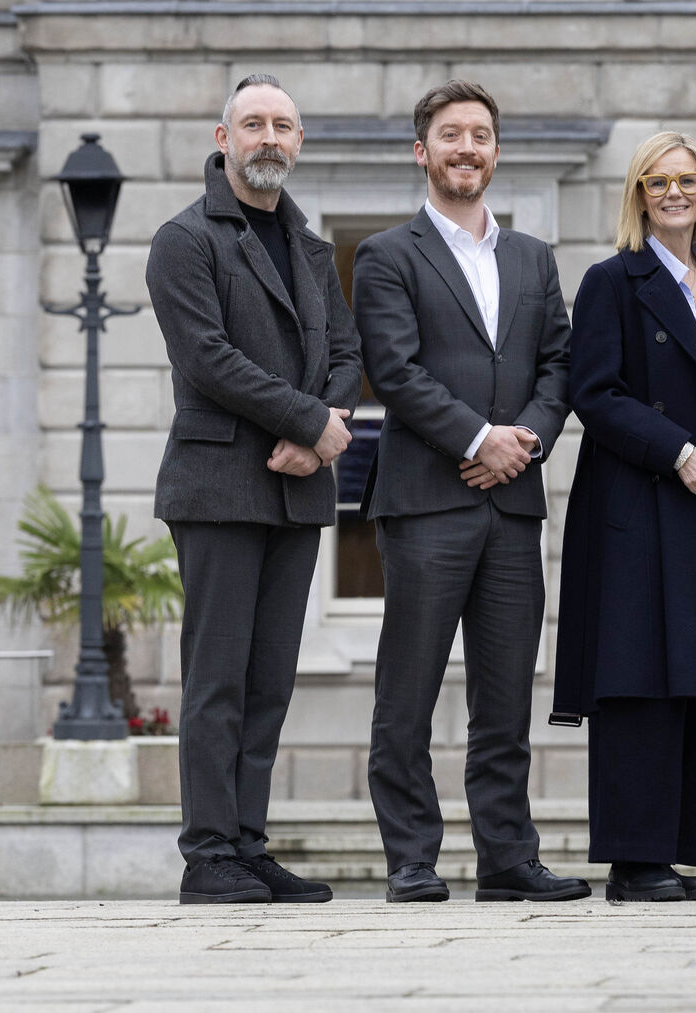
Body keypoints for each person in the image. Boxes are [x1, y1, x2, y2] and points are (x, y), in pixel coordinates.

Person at [349, 81, 584, 904]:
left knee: (506, 695)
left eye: (481, 135)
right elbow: (397, 371)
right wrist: (479, 439)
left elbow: (560, 364)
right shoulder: (387, 255)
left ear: (496, 151)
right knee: (406, 693)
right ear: (424, 152)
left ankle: (508, 859)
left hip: (512, 506)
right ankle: (412, 857)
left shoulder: (531, 257)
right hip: (424, 504)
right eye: (451, 135)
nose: (467, 148)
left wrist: (526, 440)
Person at [147, 74, 362, 904]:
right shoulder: (185, 238)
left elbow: (346, 352)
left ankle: (247, 842)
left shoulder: (310, 247)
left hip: (295, 489)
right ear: (223, 135)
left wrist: (320, 430)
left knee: (270, 678)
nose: (269, 137)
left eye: (283, 125)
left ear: (298, 142)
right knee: (217, 678)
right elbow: (207, 358)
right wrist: (313, 421)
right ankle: (208, 855)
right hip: (218, 484)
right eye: (253, 124)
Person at [552, 133, 696, 903]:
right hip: (642, 502)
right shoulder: (613, 280)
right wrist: (676, 450)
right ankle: (632, 861)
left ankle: (674, 851)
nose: (674, 191)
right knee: (640, 677)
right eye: (658, 180)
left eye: (688, 179)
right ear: (639, 194)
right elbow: (597, 392)